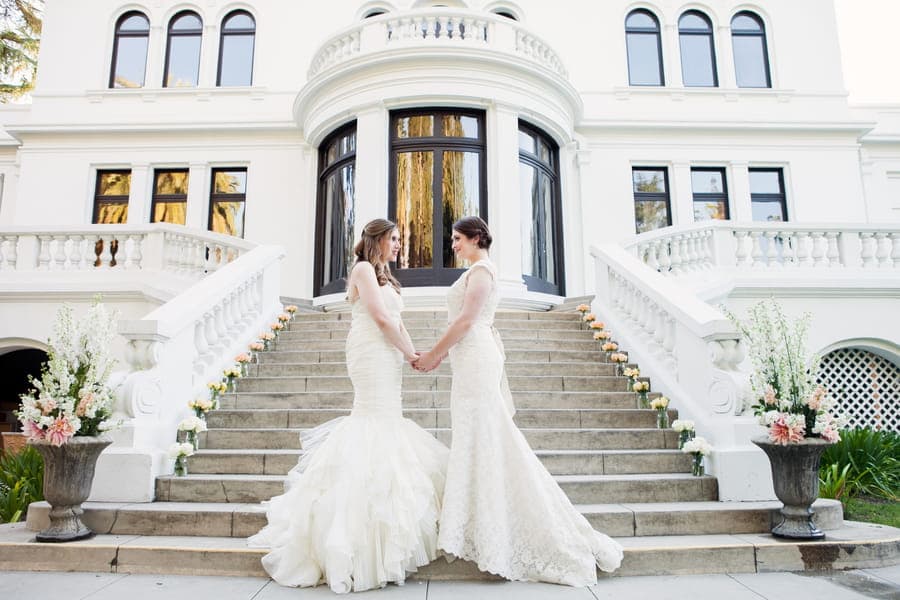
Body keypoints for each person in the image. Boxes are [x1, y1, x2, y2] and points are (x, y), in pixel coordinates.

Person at [413, 216, 624, 586]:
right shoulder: (476, 271)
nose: (454, 245)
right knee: (476, 437)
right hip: (469, 359)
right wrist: (443, 355)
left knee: (488, 436)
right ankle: (477, 522)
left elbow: (465, 321)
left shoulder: (482, 272)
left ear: (476, 238)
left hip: (476, 357)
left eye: (458, 238)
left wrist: (433, 354)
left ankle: (500, 530)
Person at [249, 218, 449, 593]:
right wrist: (408, 353)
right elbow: (380, 318)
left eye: (399, 240)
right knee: (372, 419)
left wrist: (413, 354)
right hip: (370, 352)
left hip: (389, 354)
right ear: (377, 239)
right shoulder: (362, 270)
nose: (398, 245)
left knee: (389, 419)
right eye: (393, 239)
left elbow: (397, 321)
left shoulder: (386, 277)